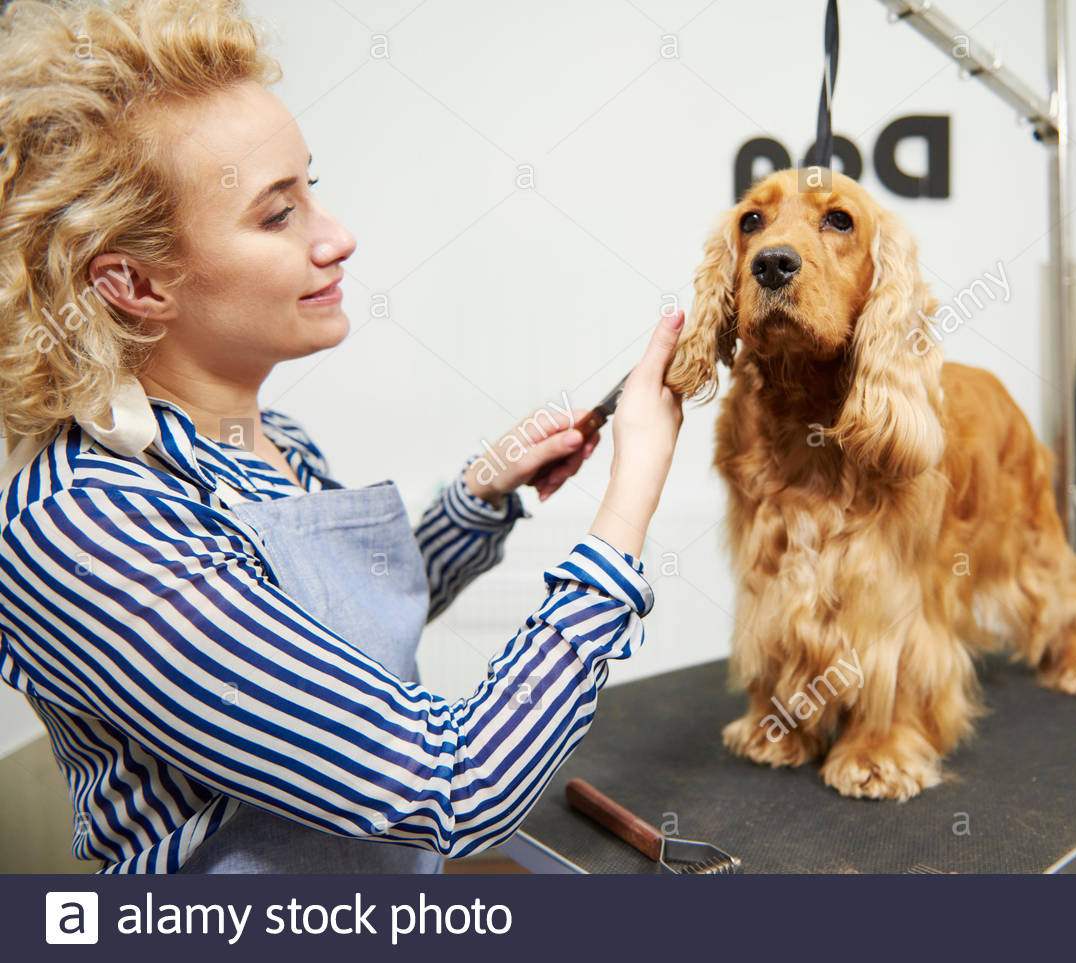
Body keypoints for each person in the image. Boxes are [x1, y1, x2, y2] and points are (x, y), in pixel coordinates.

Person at [0, 0, 684, 873]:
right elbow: (454, 785)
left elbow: (330, 635)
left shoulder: (263, 433)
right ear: (134, 282)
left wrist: (482, 496)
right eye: (277, 215)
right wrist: (629, 505)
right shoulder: (84, 527)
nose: (338, 236)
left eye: (310, 187)